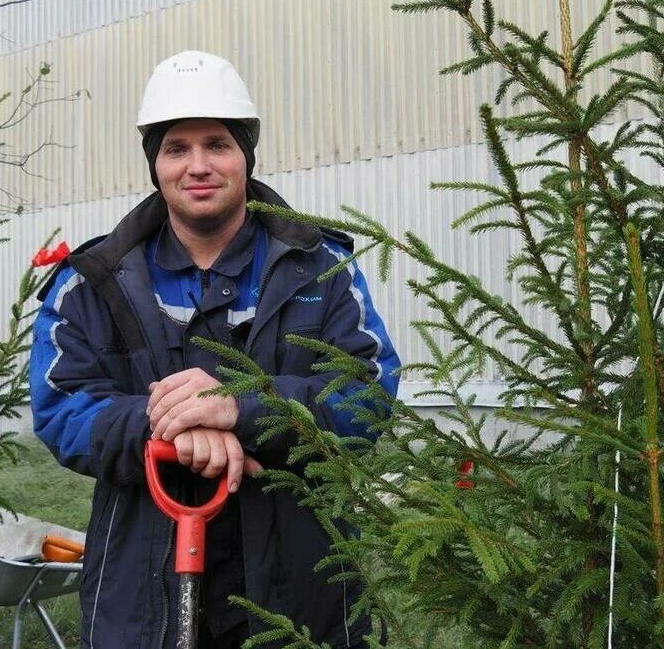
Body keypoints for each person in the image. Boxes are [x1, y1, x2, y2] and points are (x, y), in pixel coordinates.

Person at [30, 50, 400, 649]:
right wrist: (176, 429)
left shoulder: (319, 267)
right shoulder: (92, 281)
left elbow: (367, 395)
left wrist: (243, 407)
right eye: (176, 148)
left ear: (246, 157)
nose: (198, 166)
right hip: (139, 585)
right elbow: (61, 409)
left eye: (217, 144)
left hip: (299, 583)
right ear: (155, 164)